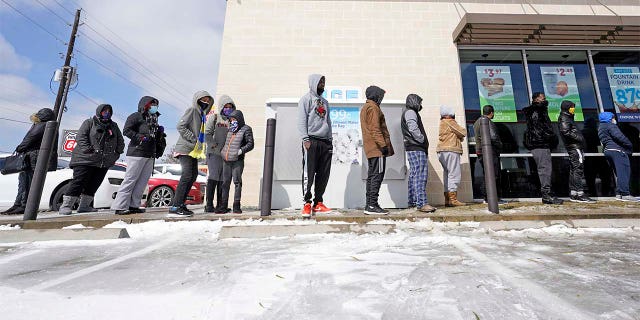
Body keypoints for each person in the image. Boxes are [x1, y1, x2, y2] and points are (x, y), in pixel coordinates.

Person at [59, 104, 125, 215]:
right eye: (104, 111)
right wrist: (89, 150)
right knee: (78, 181)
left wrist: (116, 154)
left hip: (103, 162)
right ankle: (66, 205)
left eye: (109, 111)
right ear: (99, 112)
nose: (107, 113)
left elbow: (120, 141)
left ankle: (84, 206)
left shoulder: (113, 126)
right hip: (85, 159)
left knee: (94, 183)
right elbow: (81, 137)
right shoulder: (89, 122)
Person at [110, 96, 167, 215]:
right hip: (137, 152)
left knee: (142, 181)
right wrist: (139, 137)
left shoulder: (154, 118)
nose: (154, 107)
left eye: (156, 105)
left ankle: (134, 205)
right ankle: (120, 206)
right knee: (130, 179)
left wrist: (160, 134)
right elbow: (126, 130)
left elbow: (153, 136)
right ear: (145, 104)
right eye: (152, 104)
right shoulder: (136, 116)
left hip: (150, 153)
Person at [1, 108, 56, 215]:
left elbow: (30, 138)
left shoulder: (41, 125)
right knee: (25, 181)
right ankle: (18, 204)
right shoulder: (49, 126)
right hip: (34, 157)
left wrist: (20, 148)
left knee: (26, 182)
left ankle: (22, 205)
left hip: (32, 158)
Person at [170, 90, 214, 215]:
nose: (205, 102)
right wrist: (193, 139)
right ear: (197, 99)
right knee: (187, 175)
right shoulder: (192, 110)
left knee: (193, 176)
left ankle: (181, 204)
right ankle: (175, 206)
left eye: (207, 100)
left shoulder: (202, 114)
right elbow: (180, 126)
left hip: (193, 151)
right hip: (185, 148)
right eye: (203, 100)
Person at [298, 74, 333, 218]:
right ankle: (307, 203)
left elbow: (328, 122)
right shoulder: (306, 100)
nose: (323, 84)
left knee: (323, 174)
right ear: (313, 83)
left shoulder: (325, 102)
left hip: (325, 142)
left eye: (324, 82)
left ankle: (318, 202)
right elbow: (301, 121)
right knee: (309, 173)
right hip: (311, 140)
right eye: (320, 82)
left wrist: (330, 140)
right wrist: (305, 139)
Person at [523, 92, 563, 204]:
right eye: (542, 98)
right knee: (545, 170)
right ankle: (546, 195)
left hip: (539, 144)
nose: (545, 100)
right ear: (536, 99)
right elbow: (540, 128)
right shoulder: (538, 111)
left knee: (545, 170)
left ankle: (548, 193)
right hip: (540, 144)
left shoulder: (537, 110)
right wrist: (551, 137)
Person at [361, 85, 394, 215]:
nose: (381, 98)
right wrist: (383, 146)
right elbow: (375, 129)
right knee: (377, 176)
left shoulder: (366, 107)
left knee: (372, 176)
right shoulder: (373, 108)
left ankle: (369, 204)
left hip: (371, 148)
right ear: (375, 95)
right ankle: (372, 205)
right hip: (377, 149)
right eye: (380, 96)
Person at [400, 94, 435, 213]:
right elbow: (413, 128)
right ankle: (422, 203)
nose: (421, 105)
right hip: (416, 147)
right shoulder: (410, 112)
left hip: (412, 147)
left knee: (414, 175)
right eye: (419, 102)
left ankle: (413, 201)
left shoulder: (408, 112)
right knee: (420, 176)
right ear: (414, 102)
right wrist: (421, 139)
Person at [557, 100, 595, 203]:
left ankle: (574, 193)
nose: (574, 109)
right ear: (567, 108)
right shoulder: (565, 118)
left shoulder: (568, 118)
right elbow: (565, 131)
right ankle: (580, 194)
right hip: (575, 147)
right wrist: (579, 138)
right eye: (572, 107)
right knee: (578, 169)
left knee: (574, 169)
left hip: (575, 147)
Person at [205, 94, 236, 213]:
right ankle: (209, 205)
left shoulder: (232, 121)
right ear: (222, 107)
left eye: (230, 107)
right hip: (214, 153)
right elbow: (207, 133)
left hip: (226, 154)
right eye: (226, 107)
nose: (228, 109)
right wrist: (213, 145)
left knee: (223, 179)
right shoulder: (215, 118)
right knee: (213, 177)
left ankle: (220, 205)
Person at [220, 109, 254, 213]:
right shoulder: (230, 129)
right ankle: (223, 206)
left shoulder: (246, 129)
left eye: (234, 118)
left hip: (237, 160)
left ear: (239, 119)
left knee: (237, 182)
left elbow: (250, 144)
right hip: (226, 159)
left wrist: (240, 151)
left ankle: (236, 205)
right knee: (225, 183)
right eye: (231, 119)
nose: (232, 120)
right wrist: (222, 151)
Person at [598, 112, 636, 202]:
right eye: (613, 118)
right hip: (617, 151)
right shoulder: (610, 125)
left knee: (619, 173)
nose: (614, 119)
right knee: (624, 173)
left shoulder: (601, 127)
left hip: (608, 150)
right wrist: (629, 145)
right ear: (609, 118)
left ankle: (619, 193)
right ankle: (625, 194)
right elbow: (620, 137)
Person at [437, 105, 466, 207]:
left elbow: (457, 134)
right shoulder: (449, 121)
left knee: (447, 174)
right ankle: (453, 199)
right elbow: (463, 132)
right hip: (451, 149)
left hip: (441, 151)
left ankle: (447, 200)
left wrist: (458, 136)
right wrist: (459, 136)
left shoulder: (442, 122)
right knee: (454, 174)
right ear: (449, 114)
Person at [473, 105, 504, 204]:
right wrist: (500, 146)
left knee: (487, 174)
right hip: (489, 152)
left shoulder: (477, 122)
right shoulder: (487, 122)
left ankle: (487, 197)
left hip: (481, 152)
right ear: (491, 113)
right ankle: (493, 198)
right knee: (493, 175)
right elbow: (494, 137)